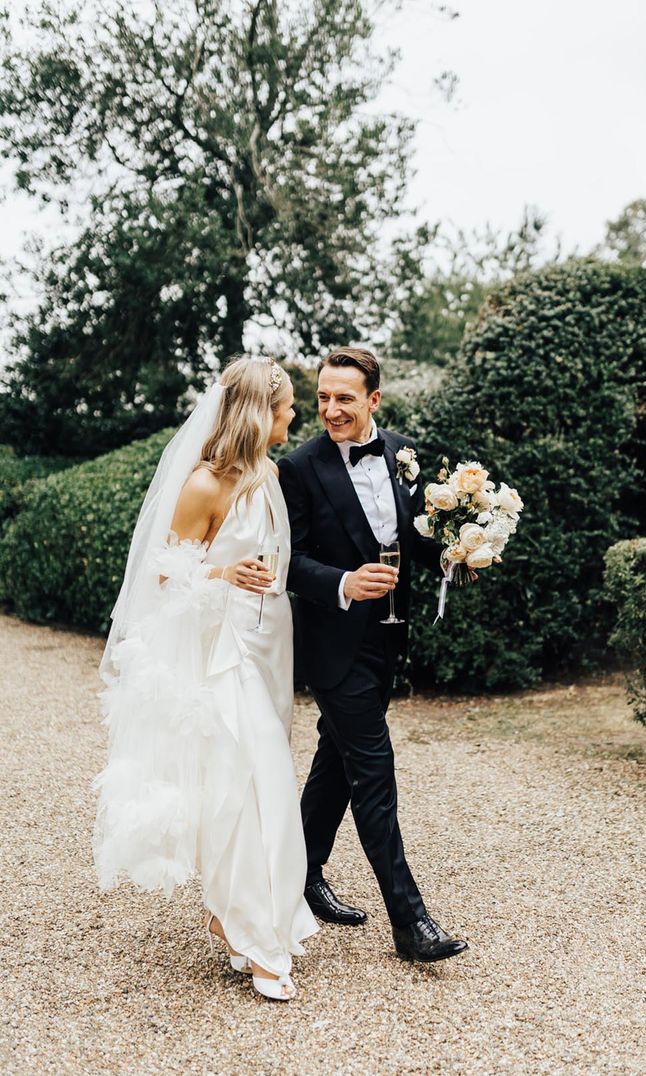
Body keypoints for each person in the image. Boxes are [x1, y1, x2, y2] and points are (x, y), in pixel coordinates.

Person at [94, 357, 318, 1002]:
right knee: (250, 789)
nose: (294, 415)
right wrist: (223, 575)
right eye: (288, 406)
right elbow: (163, 575)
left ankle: (239, 916)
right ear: (261, 411)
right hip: (224, 656)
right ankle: (255, 935)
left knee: (263, 784)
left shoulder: (270, 474)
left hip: (269, 642)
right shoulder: (203, 486)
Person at [278, 347, 468, 963]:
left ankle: (300, 879)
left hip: (388, 636)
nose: (331, 410)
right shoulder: (298, 468)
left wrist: (455, 551)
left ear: (374, 401)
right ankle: (411, 923)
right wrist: (341, 582)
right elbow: (288, 560)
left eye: (345, 399)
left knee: (336, 759)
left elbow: (419, 532)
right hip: (334, 645)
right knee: (372, 770)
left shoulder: (403, 455)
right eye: (323, 398)